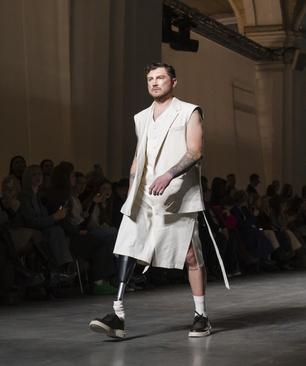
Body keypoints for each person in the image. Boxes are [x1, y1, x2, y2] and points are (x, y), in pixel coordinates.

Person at [89, 63, 228, 339]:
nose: (154, 82)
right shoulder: (141, 117)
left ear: (173, 82)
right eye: (150, 79)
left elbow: (195, 151)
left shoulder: (189, 111)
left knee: (190, 254)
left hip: (176, 195)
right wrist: (130, 191)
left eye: (160, 78)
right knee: (129, 246)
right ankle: (117, 314)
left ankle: (201, 316)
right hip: (142, 195)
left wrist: (168, 174)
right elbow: (139, 157)